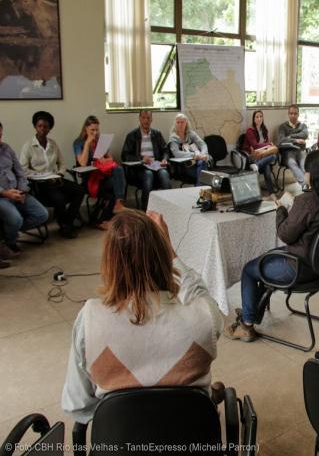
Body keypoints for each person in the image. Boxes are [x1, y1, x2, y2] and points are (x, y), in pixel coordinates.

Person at [61, 210, 223, 424]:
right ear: (162, 255)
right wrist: (171, 251)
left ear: (110, 263)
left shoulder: (90, 319)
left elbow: (77, 405)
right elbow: (199, 293)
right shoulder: (204, 317)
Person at [224, 150, 319, 342]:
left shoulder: (306, 201)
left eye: (306, 171)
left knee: (249, 269)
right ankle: (253, 310)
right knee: (265, 260)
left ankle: (246, 324)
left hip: (299, 269)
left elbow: (285, 235)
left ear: (311, 174)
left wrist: (281, 208)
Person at [20, 111, 85, 239]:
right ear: (35, 126)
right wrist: (39, 175)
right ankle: (65, 226)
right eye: (39, 126)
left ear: (50, 128)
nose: (42, 129)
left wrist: (60, 174)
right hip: (39, 184)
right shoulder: (28, 146)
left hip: (55, 179)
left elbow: (62, 163)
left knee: (80, 190)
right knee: (59, 198)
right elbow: (23, 169)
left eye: (46, 126)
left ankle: (67, 221)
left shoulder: (53, 144)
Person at [0, 121, 49, 255]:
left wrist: (21, 190)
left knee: (42, 214)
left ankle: (8, 232)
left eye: (0, 134)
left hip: (18, 192)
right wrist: (5, 193)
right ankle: (10, 242)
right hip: (2, 196)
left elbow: (19, 171)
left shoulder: (6, 148)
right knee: (16, 219)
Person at [73, 115, 126, 229]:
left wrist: (102, 160)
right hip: (89, 178)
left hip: (103, 175)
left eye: (97, 129)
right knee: (113, 191)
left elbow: (111, 159)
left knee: (118, 170)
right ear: (85, 129)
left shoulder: (100, 141)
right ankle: (102, 220)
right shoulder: (78, 142)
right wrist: (88, 143)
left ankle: (118, 203)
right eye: (92, 130)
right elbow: (82, 163)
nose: (95, 132)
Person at [121, 110, 171, 209]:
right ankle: (147, 209)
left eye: (148, 118)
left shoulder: (157, 134)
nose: (146, 121)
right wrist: (141, 159)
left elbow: (165, 150)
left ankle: (169, 208)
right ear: (139, 118)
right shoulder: (132, 135)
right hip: (140, 167)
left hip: (156, 165)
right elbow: (125, 155)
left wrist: (165, 159)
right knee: (148, 174)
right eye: (143, 118)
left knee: (164, 174)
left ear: (151, 119)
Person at [168, 113, 211, 186]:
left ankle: (199, 190)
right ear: (175, 123)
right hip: (184, 167)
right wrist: (195, 155)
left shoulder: (190, 133)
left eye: (182, 122)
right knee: (205, 176)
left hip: (197, 163)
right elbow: (177, 153)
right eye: (178, 122)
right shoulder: (173, 137)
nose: (180, 124)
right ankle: (199, 191)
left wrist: (203, 154)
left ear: (186, 123)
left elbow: (202, 144)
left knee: (203, 164)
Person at [243, 110, 278, 194]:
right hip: (253, 155)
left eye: (261, 116)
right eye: (257, 117)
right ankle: (271, 192)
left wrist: (268, 148)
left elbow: (265, 145)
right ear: (254, 119)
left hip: (262, 155)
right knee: (271, 159)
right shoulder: (250, 130)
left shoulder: (264, 129)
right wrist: (269, 144)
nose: (259, 118)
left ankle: (256, 166)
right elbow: (255, 145)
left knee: (272, 155)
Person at [278, 104, 309, 189]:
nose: (293, 115)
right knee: (292, 163)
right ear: (288, 114)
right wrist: (296, 140)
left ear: (298, 114)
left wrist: (290, 137)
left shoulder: (302, 126)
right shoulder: (283, 127)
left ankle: (307, 185)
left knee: (304, 165)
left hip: (300, 151)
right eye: (291, 113)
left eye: (295, 113)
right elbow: (281, 140)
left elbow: (305, 134)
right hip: (288, 152)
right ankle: (305, 184)